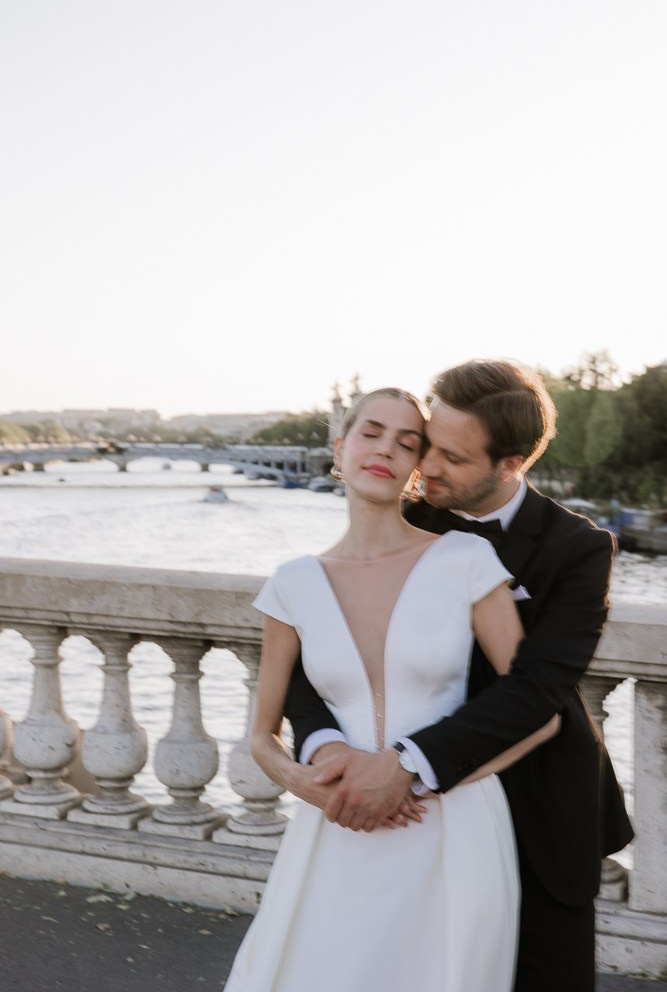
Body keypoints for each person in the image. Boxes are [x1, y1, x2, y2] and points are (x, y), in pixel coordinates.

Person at [285, 360, 634, 992]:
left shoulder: (577, 548)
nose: (427, 467)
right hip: (410, 820)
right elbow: (315, 649)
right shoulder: (403, 519)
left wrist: (407, 765)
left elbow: (536, 688)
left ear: (511, 465)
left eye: (452, 456)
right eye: (428, 444)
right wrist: (324, 747)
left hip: (541, 801)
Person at [225, 387, 559, 992]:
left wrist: (422, 779)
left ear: (415, 467)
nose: (386, 450)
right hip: (338, 826)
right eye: (371, 433)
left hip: (452, 830)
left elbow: (540, 714)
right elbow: (262, 735)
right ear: (340, 446)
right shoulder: (293, 584)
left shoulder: (466, 559)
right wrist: (303, 782)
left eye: (407, 443)